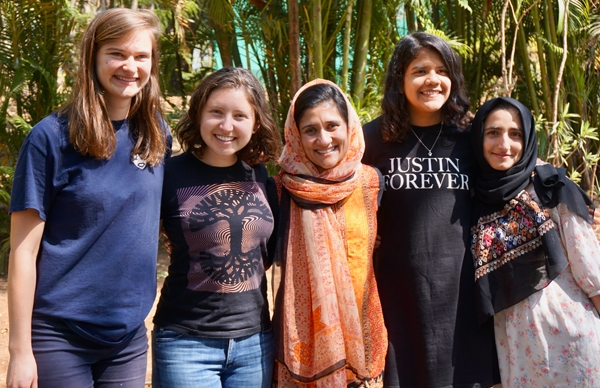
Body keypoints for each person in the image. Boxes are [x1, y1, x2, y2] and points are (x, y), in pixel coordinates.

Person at [7, 8, 171, 388]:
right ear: (92, 57)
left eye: (141, 56)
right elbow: (23, 252)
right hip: (59, 335)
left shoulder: (156, 133)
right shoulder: (50, 139)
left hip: (128, 337)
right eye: (117, 53)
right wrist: (19, 352)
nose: (130, 66)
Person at [361, 32, 500, 387]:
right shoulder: (370, 141)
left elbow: (513, 172)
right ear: (400, 80)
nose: (432, 80)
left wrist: (560, 192)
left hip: (462, 298)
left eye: (442, 70)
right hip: (396, 297)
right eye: (420, 70)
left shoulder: (471, 138)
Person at [152, 67, 281, 388]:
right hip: (185, 341)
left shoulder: (262, 176)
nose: (226, 126)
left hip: (255, 341)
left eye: (240, 115)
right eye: (216, 112)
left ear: (255, 123)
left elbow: (270, 250)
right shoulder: (168, 175)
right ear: (198, 115)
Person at [470, 97, 600, 386]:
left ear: (527, 137)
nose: (504, 144)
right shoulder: (474, 199)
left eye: (515, 134)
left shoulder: (551, 186)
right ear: (479, 137)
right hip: (516, 350)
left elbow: (592, 272)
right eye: (493, 133)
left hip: (572, 340)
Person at [272, 79, 388, 387]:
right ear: (295, 135)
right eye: (310, 130)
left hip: (361, 346)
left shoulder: (371, 183)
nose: (324, 139)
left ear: (349, 126)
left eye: (332, 126)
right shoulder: (280, 190)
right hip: (299, 350)